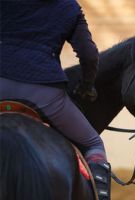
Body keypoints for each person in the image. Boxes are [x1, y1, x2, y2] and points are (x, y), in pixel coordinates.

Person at [0, 0, 110, 199]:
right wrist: (86, 85)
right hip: (43, 94)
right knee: (94, 143)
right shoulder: (69, 7)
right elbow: (89, 55)